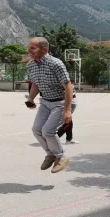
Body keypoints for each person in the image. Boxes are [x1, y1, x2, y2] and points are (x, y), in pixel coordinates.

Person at [26, 37, 75, 174]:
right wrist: (31, 98)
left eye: (32, 48)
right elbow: (36, 84)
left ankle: (62, 157)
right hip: (46, 101)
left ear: (44, 49)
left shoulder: (56, 64)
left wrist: (67, 110)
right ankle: (51, 154)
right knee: (36, 129)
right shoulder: (31, 65)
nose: (29, 51)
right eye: (29, 47)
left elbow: (68, 87)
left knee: (47, 130)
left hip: (61, 101)